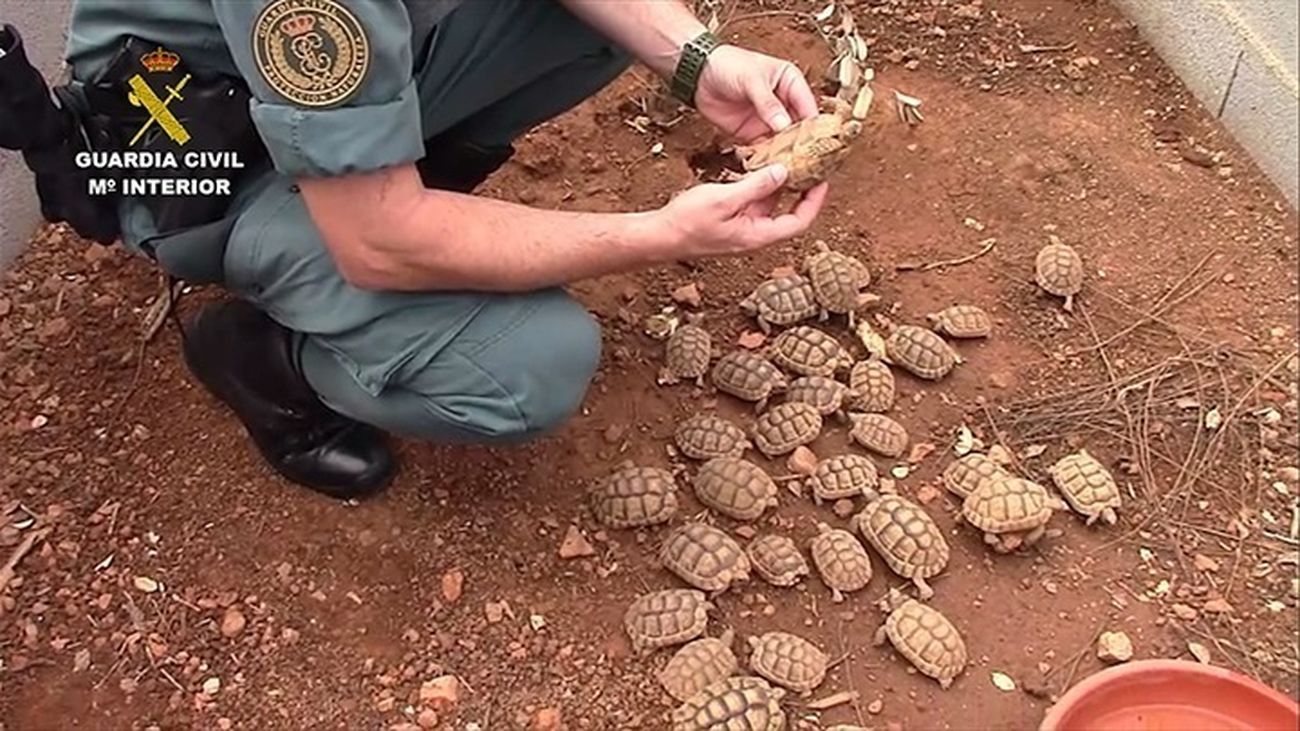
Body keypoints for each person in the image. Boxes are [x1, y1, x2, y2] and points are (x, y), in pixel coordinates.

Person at [61, 0, 829, 499]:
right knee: (530, 368)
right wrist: (660, 233)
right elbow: (378, 242)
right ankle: (261, 357)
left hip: (313, 104)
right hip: (202, 160)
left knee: (587, 25)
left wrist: (696, 59)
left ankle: (399, 175)